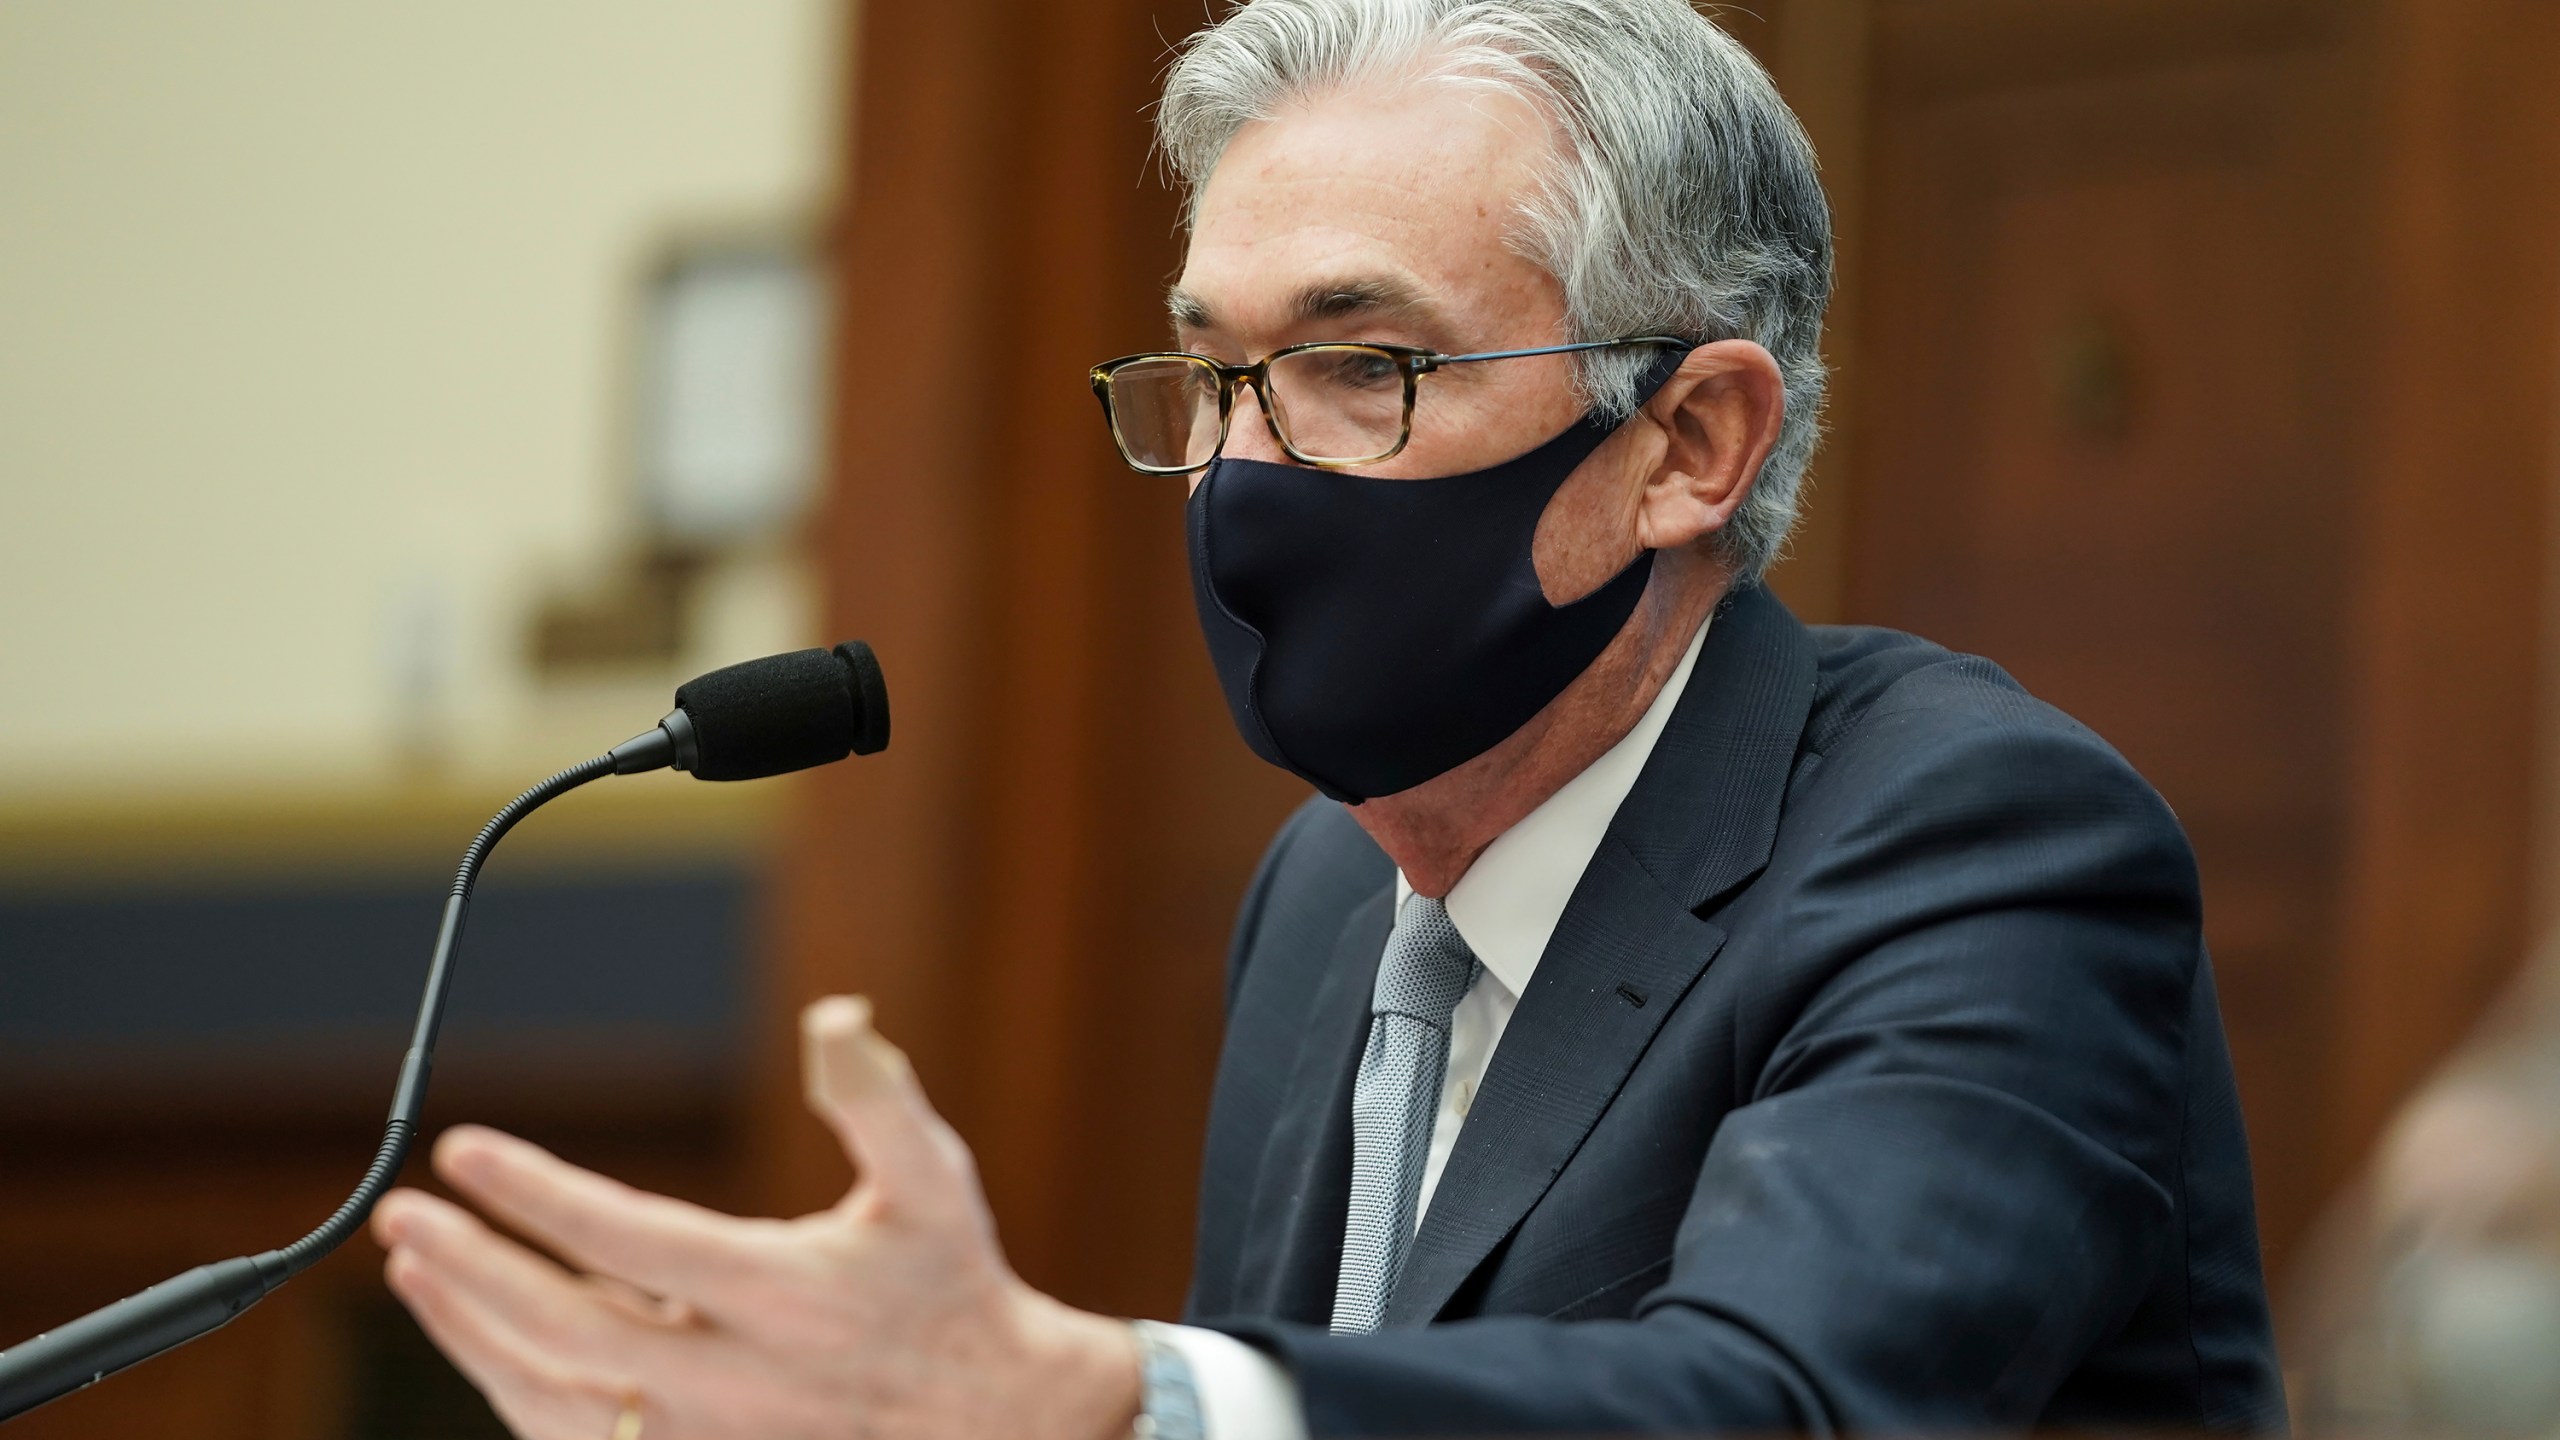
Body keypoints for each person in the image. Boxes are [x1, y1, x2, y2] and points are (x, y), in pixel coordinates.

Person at [369, 1, 2288, 1435]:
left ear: (1687, 444)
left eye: (1363, 366)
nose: (1246, 475)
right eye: (1212, 375)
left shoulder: (1975, 838)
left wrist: (1120, 1405)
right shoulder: (1327, 900)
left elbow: (1776, 1403)